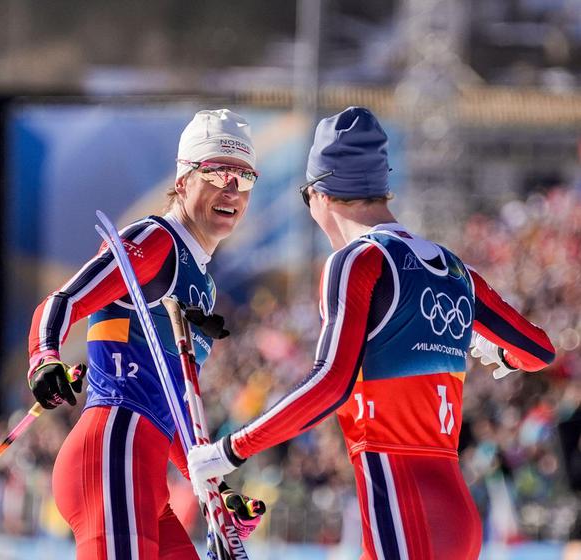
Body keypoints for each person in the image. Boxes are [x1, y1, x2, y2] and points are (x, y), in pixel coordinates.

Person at [186, 106, 558, 560]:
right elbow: (538, 350)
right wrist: (500, 356)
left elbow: (330, 383)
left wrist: (230, 450)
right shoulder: (457, 270)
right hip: (454, 516)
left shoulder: (357, 261)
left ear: (320, 193)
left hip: (403, 515)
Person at [25, 109, 267, 559]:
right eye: (217, 172)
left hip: (145, 474)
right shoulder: (156, 240)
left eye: (243, 177)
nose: (231, 189)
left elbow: (172, 411)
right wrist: (44, 356)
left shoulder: (204, 285)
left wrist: (214, 487)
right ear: (183, 180)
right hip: (112, 452)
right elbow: (62, 301)